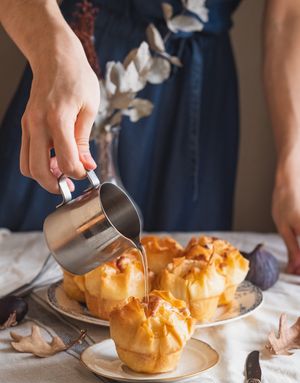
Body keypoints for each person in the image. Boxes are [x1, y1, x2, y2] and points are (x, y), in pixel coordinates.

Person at [0, 0, 300, 273]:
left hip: (197, 94)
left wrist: (292, 163)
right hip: (75, 62)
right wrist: (51, 50)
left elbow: (289, 14)